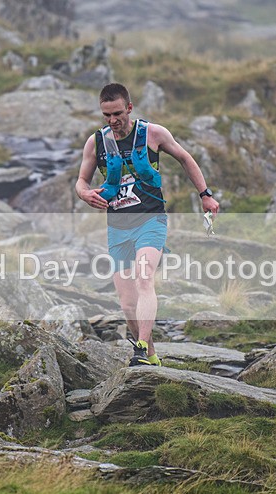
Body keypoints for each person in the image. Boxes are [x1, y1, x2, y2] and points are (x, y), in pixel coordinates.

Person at [75, 83, 219, 366]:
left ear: (129, 107)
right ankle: (150, 355)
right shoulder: (96, 143)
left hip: (151, 220)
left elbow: (185, 158)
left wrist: (205, 195)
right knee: (127, 304)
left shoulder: (153, 133)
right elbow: (81, 180)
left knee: (144, 278)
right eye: (106, 115)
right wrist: (85, 194)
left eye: (117, 113)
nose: (112, 120)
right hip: (118, 226)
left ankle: (139, 346)